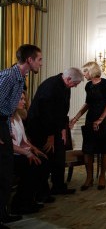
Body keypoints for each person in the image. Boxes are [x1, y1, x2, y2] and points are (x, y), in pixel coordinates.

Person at [0, 44, 42, 227]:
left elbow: (7, 109)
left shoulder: (20, 79)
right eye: (39, 60)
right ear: (29, 60)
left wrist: (7, 127)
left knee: (6, 174)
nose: (41, 64)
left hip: (3, 123)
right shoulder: (9, 76)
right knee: (3, 174)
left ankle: (3, 213)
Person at [26, 68, 84, 196]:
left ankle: (58, 186)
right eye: (75, 84)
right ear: (68, 79)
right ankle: (42, 192)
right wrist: (51, 136)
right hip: (40, 128)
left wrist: (63, 129)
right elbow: (46, 114)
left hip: (55, 127)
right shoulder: (50, 86)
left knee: (59, 157)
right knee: (46, 157)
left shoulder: (65, 86)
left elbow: (63, 111)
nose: (75, 87)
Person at [69, 62, 106, 191]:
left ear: (91, 71)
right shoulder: (88, 86)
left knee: (104, 150)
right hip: (90, 120)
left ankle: (102, 177)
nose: (83, 74)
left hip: (104, 121)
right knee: (87, 149)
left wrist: (100, 119)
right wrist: (76, 118)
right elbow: (87, 104)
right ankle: (89, 178)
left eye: (85, 72)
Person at [10, 92, 48, 215]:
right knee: (31, 167)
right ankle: (18, 203)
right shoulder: (4, 119)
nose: (24, 102)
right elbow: (9, 146)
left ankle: (29, 199)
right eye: (21, 99)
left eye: (24, 99)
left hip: (19, 153)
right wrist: (27, 154)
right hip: (9, 156)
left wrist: (35, 149)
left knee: (43, 162)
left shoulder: (17, 117)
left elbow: (24, 141)